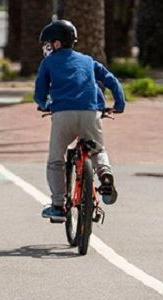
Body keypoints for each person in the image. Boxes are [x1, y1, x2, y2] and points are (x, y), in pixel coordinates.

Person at [33, 19, 125, 221]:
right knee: (97, 150)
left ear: (57, 43)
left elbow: (40, 93)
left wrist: (42, 103)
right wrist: (119, 105)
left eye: (48, 43)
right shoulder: (88, 61)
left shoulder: (48, 62)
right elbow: (111, 81)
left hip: (62, 115)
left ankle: (58, 206)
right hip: (91, 113)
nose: (47, 48)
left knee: (56, 159)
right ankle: (104, 174)